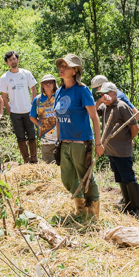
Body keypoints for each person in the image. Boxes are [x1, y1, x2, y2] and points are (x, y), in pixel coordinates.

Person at [54, 53, 101, 217]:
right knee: (68, 178)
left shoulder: (82, 90)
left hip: (81, 141)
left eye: (66, 66)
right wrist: (58, 141)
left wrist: (99, 143)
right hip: (65, 142)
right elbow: (58, 118)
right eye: (61, 66)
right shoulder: (59, 92)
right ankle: (80, 209)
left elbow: (94, 117)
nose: (62, 68)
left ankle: (92, 213)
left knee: (86, 177)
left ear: (75, 71)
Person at [96, 82, 139, 218]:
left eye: (107, 93)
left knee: (129, 178)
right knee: (121, 178)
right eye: (101, 94)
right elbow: (92, 111)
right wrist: (100, 100)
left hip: (122, 150)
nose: (104, 96)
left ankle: (138, 209)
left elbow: (135, 127)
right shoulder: (104, 107)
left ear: (114, 93)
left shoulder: (122, 106)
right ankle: (128, 206)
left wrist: (128, 140)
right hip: (111, 151)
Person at [0, 50, 38, 164]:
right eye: (10, 60)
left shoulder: (26, 73)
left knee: (32, 135)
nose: (13, 61)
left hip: (28, 111)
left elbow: (33, 89)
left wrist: (33, 106)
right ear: (7, 63)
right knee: (20, 137)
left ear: (18, 59)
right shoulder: (4, 77)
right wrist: (9, 111)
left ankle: (34, 160)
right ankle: (26, 161)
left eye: (14, 58)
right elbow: (4, 97)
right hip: (15, 112)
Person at [30, 74, 59, 163]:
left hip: (61, 135)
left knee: (63, 162)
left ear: (54, 84)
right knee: (48, 163)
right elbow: (32, 117)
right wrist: (40, 124)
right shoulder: (38, 99)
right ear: (42, 85)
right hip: (46, 136)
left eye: (51, 82)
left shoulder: (60, 96)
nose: (48, 84)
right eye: (45, 82)